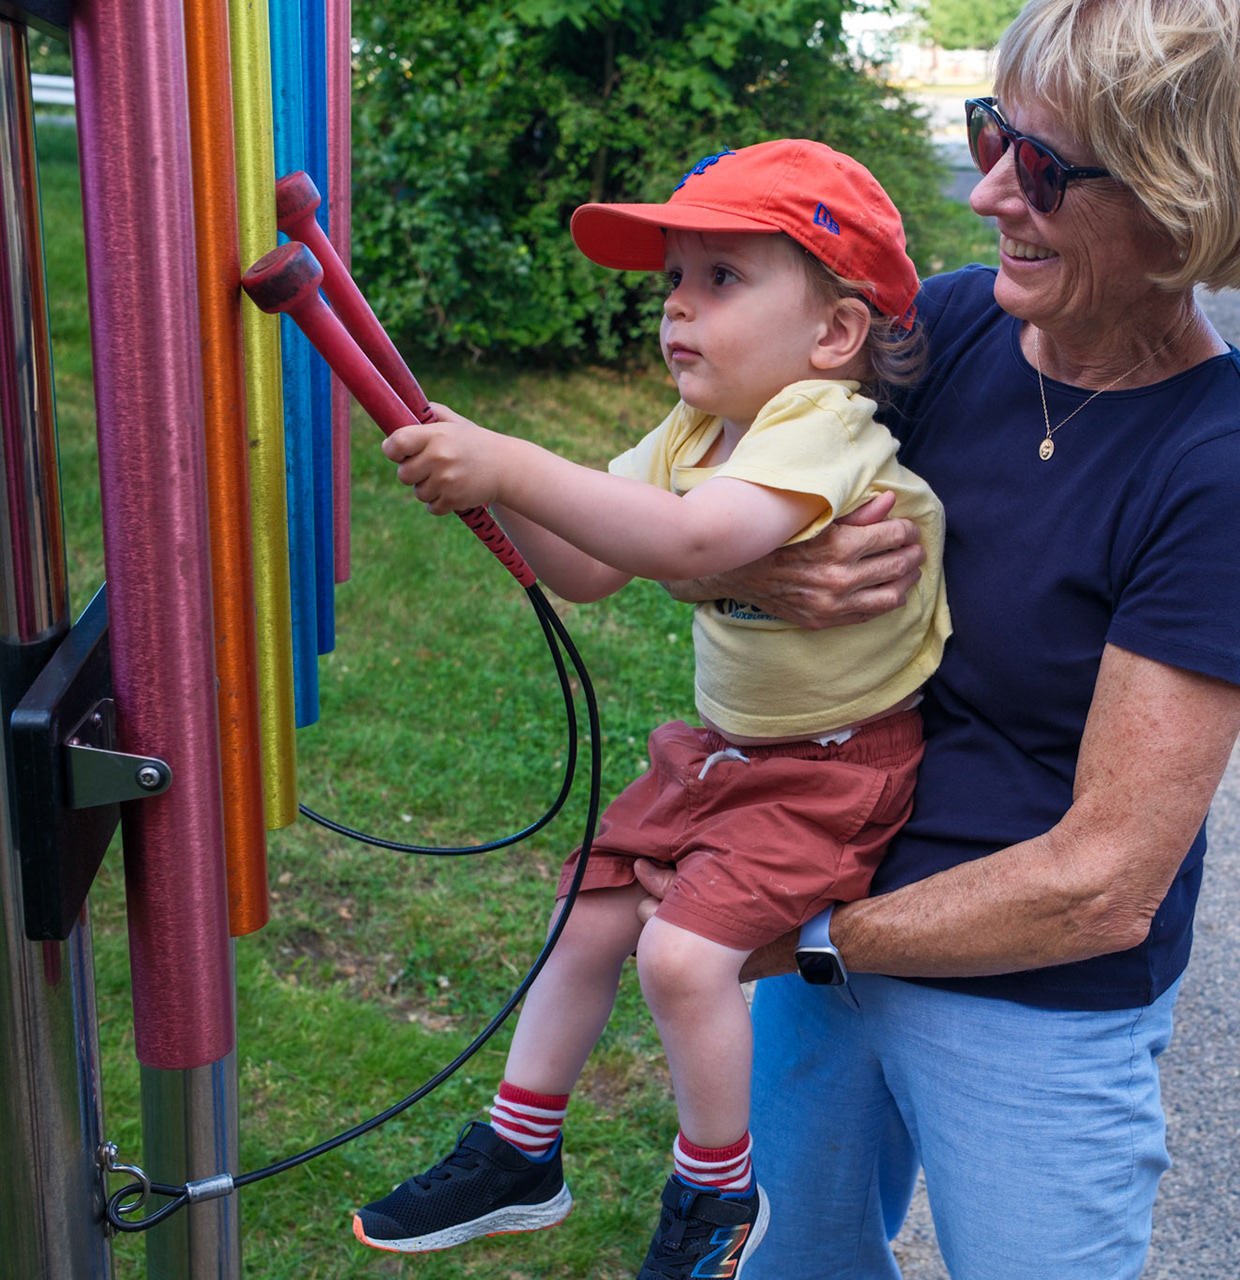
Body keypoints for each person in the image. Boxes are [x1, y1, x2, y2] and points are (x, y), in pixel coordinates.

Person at [633, 1, 1240, 1275]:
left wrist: (818, 937)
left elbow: (1106, 880)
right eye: (990, 133)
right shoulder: (950, 329)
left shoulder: (1221, 471)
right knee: (790, 1262)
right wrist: (758, 576)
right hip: (826, 879)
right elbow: (699, 503)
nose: (988, 189)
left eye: (1042, 167)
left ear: (1185, 194)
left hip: (1024, 993)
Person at [347, 139, 949, 1280]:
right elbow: (589, 566)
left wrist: (514, 464)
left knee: (680, 957)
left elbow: (692, 541)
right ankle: (522, 1146)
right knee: (591, 905)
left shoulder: (821, 421)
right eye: (676, 277)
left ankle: (719, 1191)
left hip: (834, 769)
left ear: (833, 332)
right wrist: (471, 477)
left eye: (722, 278)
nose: (677, 305)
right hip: (731, 754)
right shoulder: (694, 433)